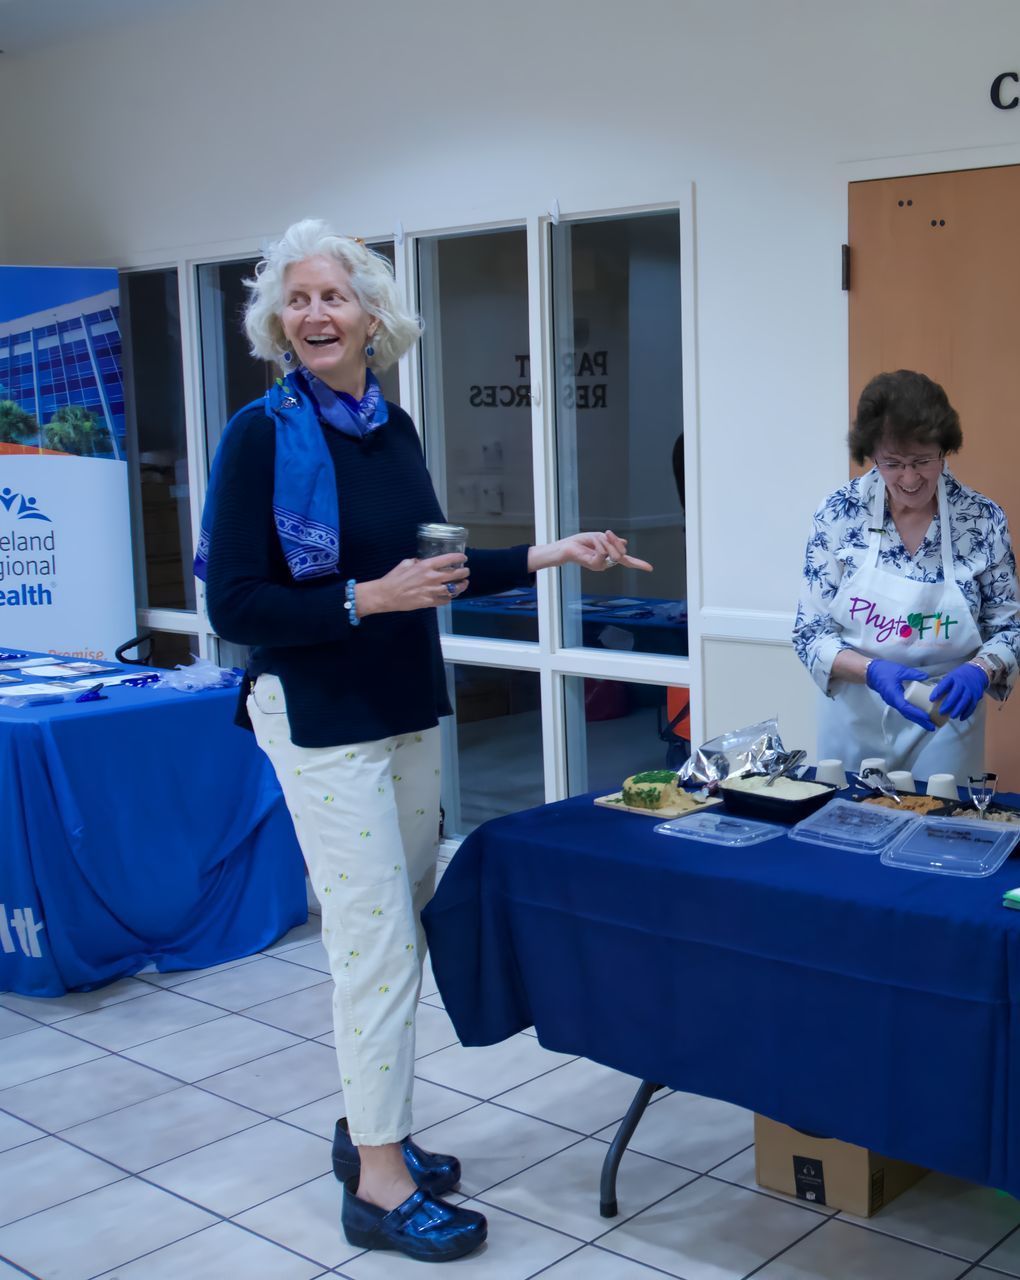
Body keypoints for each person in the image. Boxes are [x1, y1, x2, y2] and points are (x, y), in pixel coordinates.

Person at [200, 220, 648, 1263]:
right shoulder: (261, 435)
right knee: (377, 950)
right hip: (318, 716)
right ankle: (380, 1184)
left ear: (373, 317)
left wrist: (552, 551)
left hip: (401, 704)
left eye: (334, 296)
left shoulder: (388, 428)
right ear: (278, 320)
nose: (315, 314)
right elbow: (235, 604)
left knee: (395, 930)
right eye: (297, 299)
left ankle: (373, 1131)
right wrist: (365, 598)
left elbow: (431, 568)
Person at [793, 369, 1020, 777]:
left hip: (945, 719)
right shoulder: (839, 514)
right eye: (893, 463)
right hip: (854, 715)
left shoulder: (982, 519)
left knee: (942, 813)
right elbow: (809, 633)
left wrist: (979, 670)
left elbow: (1011, 632)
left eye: (922, 461)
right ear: (871, 455)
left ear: (944, 450)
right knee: (850, 814)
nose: (910, 478)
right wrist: (871, 671)